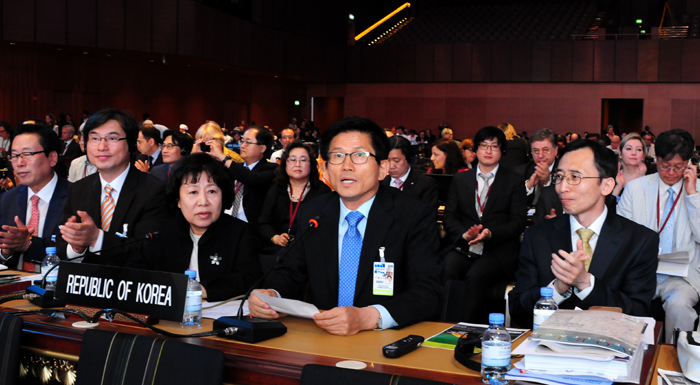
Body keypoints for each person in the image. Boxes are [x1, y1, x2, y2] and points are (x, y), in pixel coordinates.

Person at [249, 116, 443, 336]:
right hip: (322, 337)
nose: (346, 166)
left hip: (384, 339)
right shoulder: (315, 211)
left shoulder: (413, 215)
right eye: (337, 156)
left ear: (382, 168)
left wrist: (370, 317)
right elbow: (291, 271)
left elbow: (428, 292)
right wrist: (272, 294)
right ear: (325, 169)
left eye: (360, 155)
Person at [509, 139, 659, 328]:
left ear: (606, 185)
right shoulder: (538, 236)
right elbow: (518, 309)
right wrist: (556, 289)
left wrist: (585, 284)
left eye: (575, 177)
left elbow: (637, 314)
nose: (562, 188)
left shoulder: (639, 241)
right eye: (560, 177)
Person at [128, 153, 262, 301]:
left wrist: (204, 290)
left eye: (212, 191)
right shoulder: (163, 232)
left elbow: (251, 279)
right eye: (193, 192)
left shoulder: (241, 232)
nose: (203, 202)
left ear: (223, 196)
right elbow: (138, 272)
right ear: (178, 200)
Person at [617, 129, 699, 343]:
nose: (671, 172)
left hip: (682, 276)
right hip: (642, 271)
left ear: (689, 163)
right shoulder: (635, 189)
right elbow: (621, 234)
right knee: (625, 302)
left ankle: (676, 358)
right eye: (665, 166)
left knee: (679, 305)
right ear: (656, 159)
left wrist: (692, 197)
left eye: (678, 167)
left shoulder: (697, 191)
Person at [57, 109, 168, 266]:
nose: (102, 146)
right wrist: (76, 248)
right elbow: (60, 246)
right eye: (94, 138)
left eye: (112, 138)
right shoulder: (78, 189)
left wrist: (97, 239)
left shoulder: (154, 191)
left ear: (131, 143)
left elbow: (152, 252)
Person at [442, 126, 527, 323]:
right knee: (448, 267)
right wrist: (463, 235)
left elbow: (518, 221)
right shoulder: (460, 179)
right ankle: (442, 322)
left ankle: (465, 328)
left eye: (494, 147)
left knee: (476, 274)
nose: (488, 151)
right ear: (475, 151)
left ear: (502, 151)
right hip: (466, 246)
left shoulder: (514, 181)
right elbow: (449, 215)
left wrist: (490, 233)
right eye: (484, 146)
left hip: (497, 249)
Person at [0, 123, 70, 270]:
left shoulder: (76, 196)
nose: (19, 163)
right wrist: (5, 252)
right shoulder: (7, 199)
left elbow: (76, 254)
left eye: (27, 154)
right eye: (14, 155)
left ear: (52, 158)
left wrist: (29, 244)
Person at [258, 141, 331, 255]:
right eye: (292, 160)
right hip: (277, 249)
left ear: (311, 164)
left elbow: (327, 228)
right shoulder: (276, 188)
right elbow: (263, 222)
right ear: (285, 164)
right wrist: (275, 238)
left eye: (303, 160)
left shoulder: (322, 191)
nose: (297, 164)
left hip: (310, 251)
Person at [215, 126, 277, 245]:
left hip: (251, 232)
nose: (242, 145)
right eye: (242, 141)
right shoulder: (233, 169)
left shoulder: (271, 169)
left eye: (248, 142)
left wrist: (222, 156)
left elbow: (252, 179)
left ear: (262, 148)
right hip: (225, 226)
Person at [516, 129, 562, 223]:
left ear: (555, 150)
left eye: (545, 150)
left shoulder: (565, 171)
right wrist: (528, 186)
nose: (540, 155)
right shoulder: (521, 171)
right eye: (536, 151)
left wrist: (547, 182)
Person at [381, 136, 438, 208]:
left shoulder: (425, 184)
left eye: (396, 161)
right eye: (388, 161)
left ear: (408, 158)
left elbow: (428, 215)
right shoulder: (380, 183)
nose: (391, 166)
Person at [612, 132, 647, 197]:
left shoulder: (652, 179)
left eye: (638, 149)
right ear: (620, 153)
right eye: (629, 149)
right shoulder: (611, 178)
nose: (634, 153)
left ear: (643, 155)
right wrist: (619, 186)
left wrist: (642, 179)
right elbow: (607, 206)